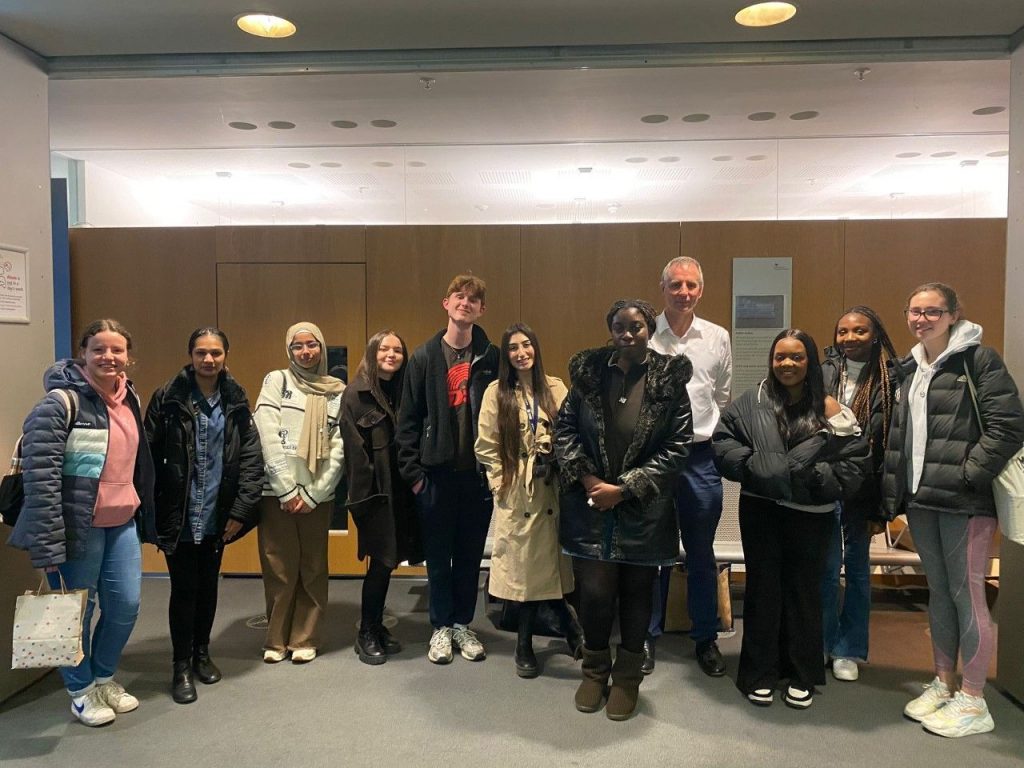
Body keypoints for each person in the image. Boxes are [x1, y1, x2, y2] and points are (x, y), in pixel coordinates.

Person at [882, 282, 1024, 738]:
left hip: (965, 501)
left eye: (932, 311)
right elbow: (903, 435)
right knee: (940, 592)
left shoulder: (979, 360)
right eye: (915, 311)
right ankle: (944, 683)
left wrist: (969, 474)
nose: (922, 319)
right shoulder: (912, 368)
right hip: (922, 499)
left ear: (953, 313)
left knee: (968, 594)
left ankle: (974, 698)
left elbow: (1007, 426)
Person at [9, 319, 157, 727]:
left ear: (128, 356)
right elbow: (41, 479)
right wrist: (49, 547)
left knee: (125, 606)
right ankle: (80, 690)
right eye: (98, 349)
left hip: (122, 521)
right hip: (79, 525)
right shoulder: (60, 404)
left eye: (116, 350)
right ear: (83, 353)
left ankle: (104, 677)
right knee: (75, 610)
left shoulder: (130, 399)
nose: (108, 357)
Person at [713, 329, 868, 710]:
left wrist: (817, 481)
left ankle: (802, 674)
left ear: (810, 362)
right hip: (761, 509)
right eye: (780, 356)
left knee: (805, 594)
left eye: (797, 357)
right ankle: (759, 672)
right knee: (763, 591)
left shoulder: (830, 408)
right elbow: (722, 442)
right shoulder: (752, 401)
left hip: (811, 514)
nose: (787, 364)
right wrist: (756, 467)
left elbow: (856, 460)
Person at [555, 299, 693, 720]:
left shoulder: (669, 379)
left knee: (637, 595)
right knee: (594, 595)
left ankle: (628, 678)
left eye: (636, 325)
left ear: (649, 329)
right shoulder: (588, 375)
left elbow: (679, 445)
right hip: (590, 504)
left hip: (644, 510)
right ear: (610, 329)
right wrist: (588, 480)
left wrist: (626, 488)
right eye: (619, 325)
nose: (627, 332)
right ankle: (595, 671)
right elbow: (563, 430)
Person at [145, 327, 264, 703]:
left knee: (209, 587)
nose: (208, 360)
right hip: (180, 514)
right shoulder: (168, 398)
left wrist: (242, 510)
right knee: (184, 590)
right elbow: (147, 455)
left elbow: (250, 458)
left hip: (217, 513)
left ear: (225, 355)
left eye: (215, 352)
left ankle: (201, 653)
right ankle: (180, 665)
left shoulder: (236, 400)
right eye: (201, 352)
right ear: (191, 355)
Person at [397, 274, 499, 664]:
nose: (466, 303)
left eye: (474, 299)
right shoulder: (424, 358)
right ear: (446, 303)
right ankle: (440, 626)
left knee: (471, 555)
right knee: (438, 556)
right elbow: (407, 421)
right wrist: (416, 478)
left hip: (477, 479)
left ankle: (462, 623)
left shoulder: (491, 357)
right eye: (459, 296)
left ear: (481, 309)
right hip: (435, 477)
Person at [474, 323, 583, 678]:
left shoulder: (554, 387)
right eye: (513, 348)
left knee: (549, 565)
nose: (521, 353)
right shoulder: (497, 392)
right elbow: (486, 445)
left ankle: (568, 630)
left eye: (526, 345)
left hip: (550, 487)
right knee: (522, 571)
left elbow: (572, 431)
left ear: (536, 348)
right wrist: (499, 485)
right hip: (516, 490)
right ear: (506, 355)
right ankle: (526, 644)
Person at [646, 256, 732, 677]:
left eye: (691, 285)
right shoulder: (644, 335)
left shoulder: (717, 337)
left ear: (701, 289)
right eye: (676, 285)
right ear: (662, 288)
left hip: (700, 458)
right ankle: (646, 636)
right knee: (654, 552)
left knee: (701, 553)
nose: (684, 293)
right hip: (654, 459)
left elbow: (723, 396)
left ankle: (705, 639)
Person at [253, 322, 345, 664]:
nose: (305, 352)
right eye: (298, 346)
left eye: (312, 345)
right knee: (278, 565)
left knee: (313, 565)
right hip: (276, 492)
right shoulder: (276, 381)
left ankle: (305, 637)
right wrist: (286, 487)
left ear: (321, 348)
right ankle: (276, 638)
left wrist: (312, 494)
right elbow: (266, 431)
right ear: (288, 350)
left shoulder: (337, 390)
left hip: (317, 496)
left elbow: (340, 449)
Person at [819, 307, 899, 683]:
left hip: (865, 488)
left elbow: (892, 444)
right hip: (826, 482)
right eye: (843, 330)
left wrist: (884, 505)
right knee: (825, 566)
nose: (850, 338)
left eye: (859, 330)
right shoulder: (824, 373)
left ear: (875, 333)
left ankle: (848, 649)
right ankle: (822, 640)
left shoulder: (890, 378)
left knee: (858, 569)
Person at [340, 330, 422, 665]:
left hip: (405, 491)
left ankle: (375, 625)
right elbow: (355, 455)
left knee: (390, 563)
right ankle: (366, 633)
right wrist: (365, 503)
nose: (391, 354)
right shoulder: (355, 394)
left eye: (398, 350)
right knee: (381, 563)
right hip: (376, 495)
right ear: (373, 352)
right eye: (384, 349)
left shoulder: (408, 391)